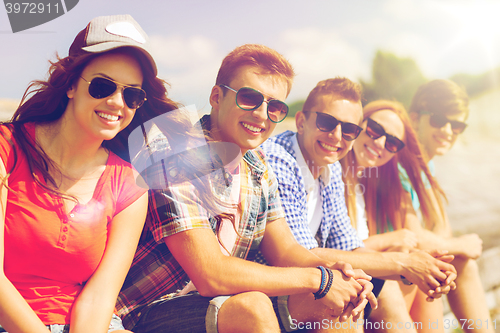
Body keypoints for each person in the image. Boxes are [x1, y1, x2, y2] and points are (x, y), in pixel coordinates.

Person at [117, 44, 377, 333]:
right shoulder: (175, 153)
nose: (262, 115)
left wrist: (334, 274)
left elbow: (285, 249)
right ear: (217, 97)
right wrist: (318, 280)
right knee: (253, 307)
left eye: (275, 107)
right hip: (149, 309)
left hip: (215, 302)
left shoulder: (257, 164)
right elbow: (210, 273)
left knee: (339, 300)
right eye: (250, 98)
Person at [0, 14, 175, 333]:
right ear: (69, 84)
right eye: (102, 86)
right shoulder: (6, 149)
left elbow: (99, 297)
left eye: (131, 94)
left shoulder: (130, 185)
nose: (116, 102)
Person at [260, 79, 457, 329]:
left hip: (304, 280)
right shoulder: (279, 158)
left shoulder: (330, 168)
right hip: (266, 288)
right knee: (343, 299)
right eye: (327, 122)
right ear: (301, 122)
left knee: (384, 291)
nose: (337, 136)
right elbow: (300, 254)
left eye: (349, 130)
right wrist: (404, 264)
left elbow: (350, 247)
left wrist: (425, 267)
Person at [340, 99, 460, 333]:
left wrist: (429, 263)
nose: (381, 143)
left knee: (420, 264)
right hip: (344, 294)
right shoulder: (331, 174)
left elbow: (433, 226)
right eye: (375, 130)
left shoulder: (368, 184)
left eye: (393, 142)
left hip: (367, 294)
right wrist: (391, 242)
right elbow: (324, 252)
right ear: (359, 122)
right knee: (406, 266)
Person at [407, 79, 494, 333]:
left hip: (410, 266)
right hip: (387, 267)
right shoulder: (401, 162)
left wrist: (452, 246)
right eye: (438, 120)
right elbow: (411, 235)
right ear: (414, 119)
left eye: (456, 125)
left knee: (459, 264)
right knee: (453, 263)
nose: (447, 130)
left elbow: (441, 228)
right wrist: (461, 244)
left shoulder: (426, 166)